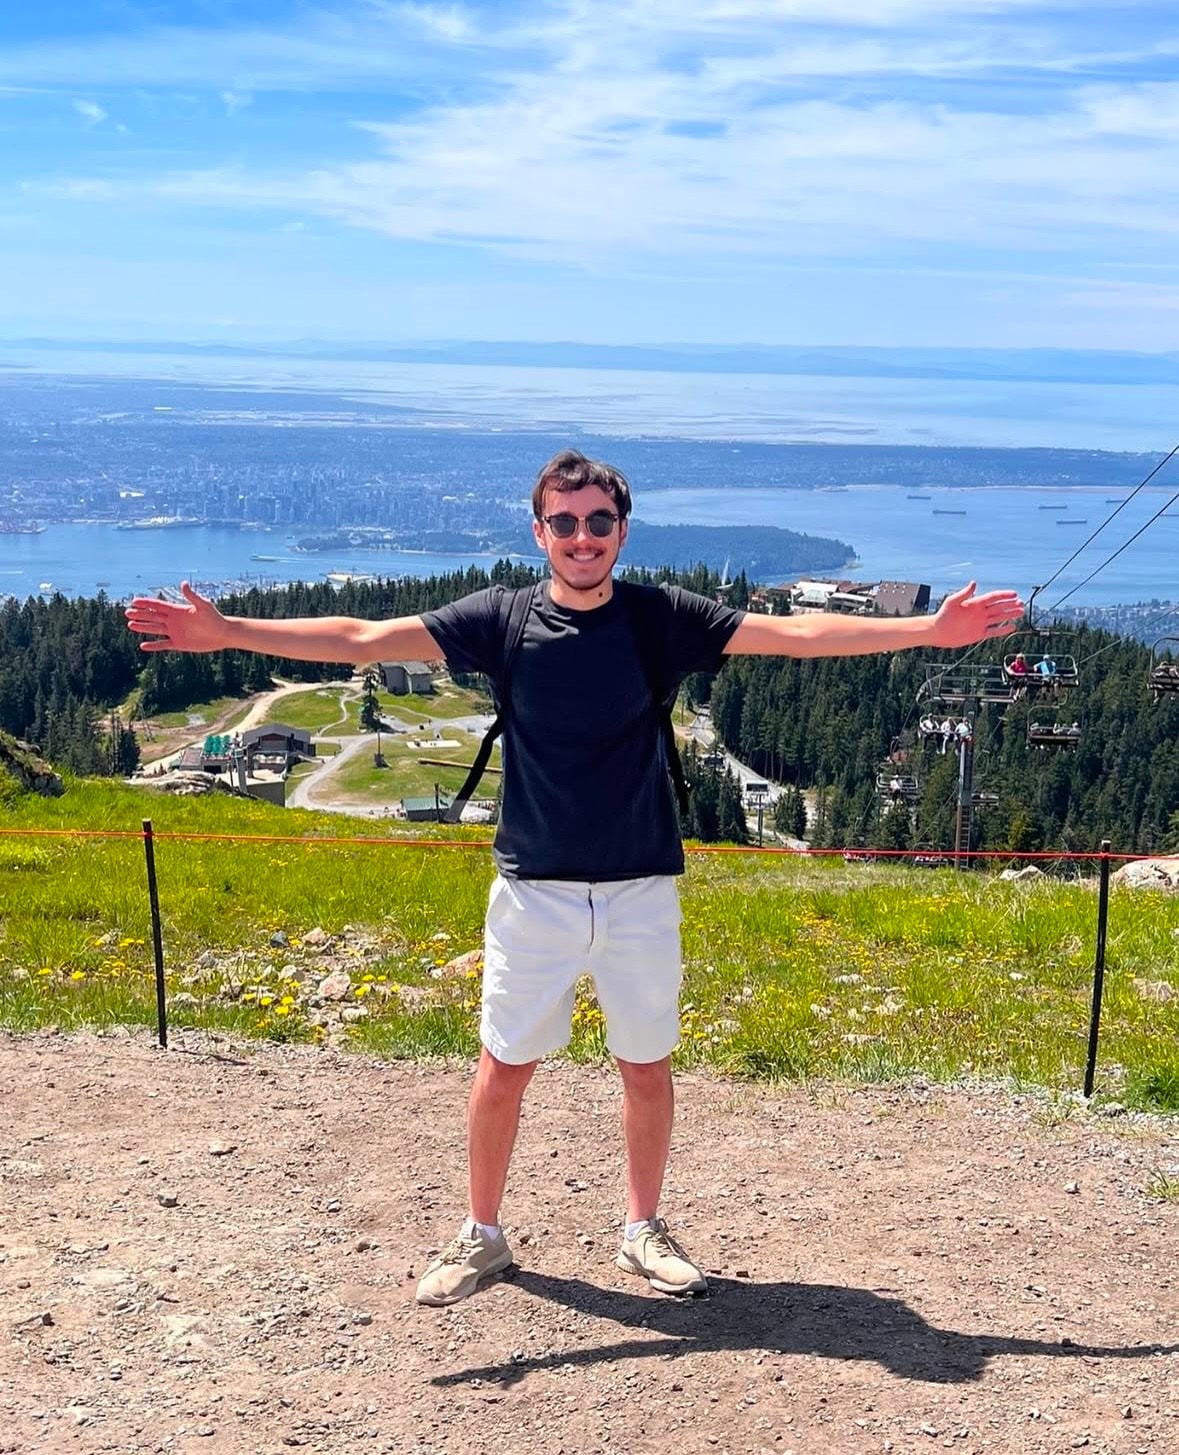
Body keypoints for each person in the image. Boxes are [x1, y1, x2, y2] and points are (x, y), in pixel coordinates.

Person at [125, 448, 1024, 1308]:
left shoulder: (658, 617)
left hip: (639, 885)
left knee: (646, 1067)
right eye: (565, 522)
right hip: (533, 887)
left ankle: (642, 1229)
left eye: (598, 521)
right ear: (539, 531)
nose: (582, 537)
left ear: (622, 530)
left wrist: (928, 630)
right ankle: (482, 1233)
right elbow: (362, 635)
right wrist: (224, 632)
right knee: (502, 1068)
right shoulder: (501, 618)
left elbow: (794, 636)